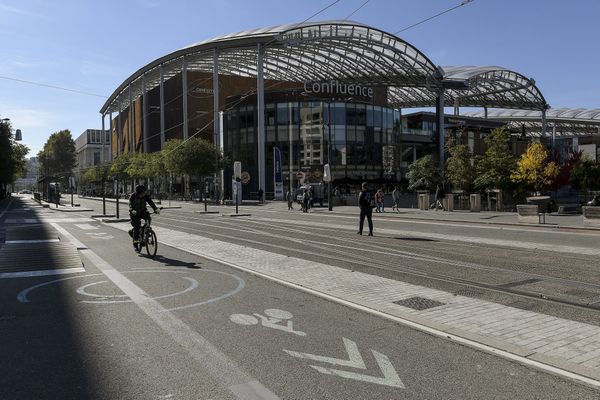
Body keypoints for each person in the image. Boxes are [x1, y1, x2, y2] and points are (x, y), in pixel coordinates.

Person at [129, 184, 159, 252]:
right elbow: (130, 205)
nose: (144, 194)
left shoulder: (145, 196)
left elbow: (151, 202)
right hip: (135, 213)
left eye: (144, 192)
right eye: (142, 192)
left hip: (142, 212)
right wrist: (132, 210)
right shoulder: (132, 197)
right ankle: (135, 245)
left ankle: (146, 231)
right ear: (138, 192)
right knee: (137, 228)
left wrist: (155, 209)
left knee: (148, 218)